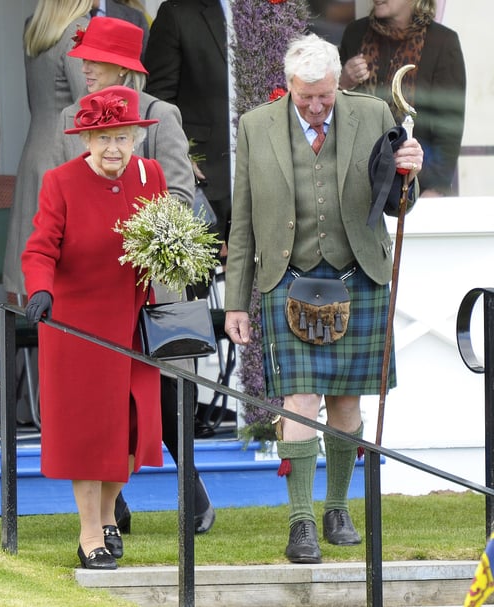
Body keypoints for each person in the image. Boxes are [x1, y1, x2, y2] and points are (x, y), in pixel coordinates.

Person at [223, 33, 424, 564]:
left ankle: (337, 508)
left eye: (325, 96)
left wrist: (410, 169)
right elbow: (241, 220)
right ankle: (301, 521)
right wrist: (235, 302)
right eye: (305, 95)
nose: (315, 106)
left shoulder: (376, 113)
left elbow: (399, 202)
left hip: (358, 273)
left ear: (338, 83)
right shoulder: (256, 126)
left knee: (345, 402)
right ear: (289, 84)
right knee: (299, 402)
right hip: (287, 279)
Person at [55, 16, 214, 535]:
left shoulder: (158, 114)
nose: (85, 70)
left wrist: (130, 235)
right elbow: (61, 198)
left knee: (161, 403)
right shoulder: (69, 118)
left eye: (93, 61)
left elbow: (181, 196)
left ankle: (188, 494)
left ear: (121, 66)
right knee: (102, 403)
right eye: (84, 62)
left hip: (153, 289)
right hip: (91, 294)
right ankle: (106, 511)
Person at [22, 85, 164, 570]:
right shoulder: (60, 181)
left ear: (136, 140)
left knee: (131, 426)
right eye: (103, 138)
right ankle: (89, 536)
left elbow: (163, 237)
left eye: (122, 138)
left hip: (133, 321)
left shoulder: (151, 175)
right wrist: (40, 288)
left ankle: (107, 514)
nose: (112, 149)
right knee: (88, 432)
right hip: (77, 325)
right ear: (86, 140)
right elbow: (39, 248)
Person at [2, 0, 92, 302]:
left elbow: (34, 100)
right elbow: (89, 105)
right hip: (69, 154)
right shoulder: (80, 28)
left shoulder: (36, 27)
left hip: (36, 150)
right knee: (70, 283)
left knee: (36, 278)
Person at [338, 0, 465, 197]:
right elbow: (329, 111)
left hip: (414, 184)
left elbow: (449, 129)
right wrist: (343, 81)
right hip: (358, 186)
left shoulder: (442, 41)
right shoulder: (355, 33)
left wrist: (435, 190)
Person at [144, 0, 232, 243]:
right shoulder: (177, 12)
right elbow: (159, 99)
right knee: (202, 278)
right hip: (205, 174)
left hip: (261, 173)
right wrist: (182, 155)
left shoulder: (271, 10)